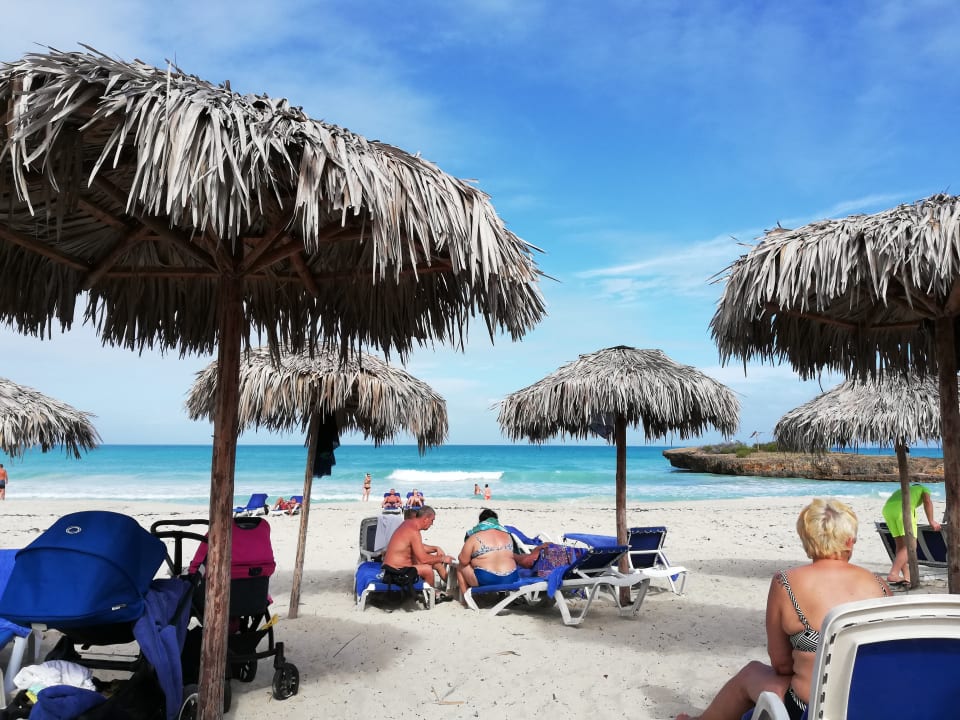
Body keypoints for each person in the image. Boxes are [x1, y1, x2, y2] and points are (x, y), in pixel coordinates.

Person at [676, 498, 890, 720]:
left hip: (813, 709)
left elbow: (781, 663)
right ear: (850, 540)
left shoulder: (786, 583)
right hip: (874, 703)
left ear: (807, 541)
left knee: (751, 673)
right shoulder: (879, 585)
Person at [456, 509, 543, 601]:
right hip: (511, 578)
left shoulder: (474, 536)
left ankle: (465, 601)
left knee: (460, 566)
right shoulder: (508, 535)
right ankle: (502, 596)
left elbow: (463, 560)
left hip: (487, 579)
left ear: (480, 522)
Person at [881, 481, 941, 585]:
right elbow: (927, 501)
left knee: (900, 546)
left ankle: (906, 577)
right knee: (911, 545)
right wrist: (931, 520)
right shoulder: (923, 488)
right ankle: (894, 574)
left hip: (887, 510)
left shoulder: (901, 490)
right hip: (903, 510)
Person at [382, 505, 453, 589]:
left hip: (397, 568)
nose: (432, 524)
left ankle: (452, 586)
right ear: (426, 519)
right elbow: (422, 559)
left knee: (436, 563)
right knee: (427, 569)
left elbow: (417, 547)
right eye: (432, 520)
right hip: (396, 572)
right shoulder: (413, 531)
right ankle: (432, 596)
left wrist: (436, 548)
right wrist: (442, 558)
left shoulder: (408, 524)